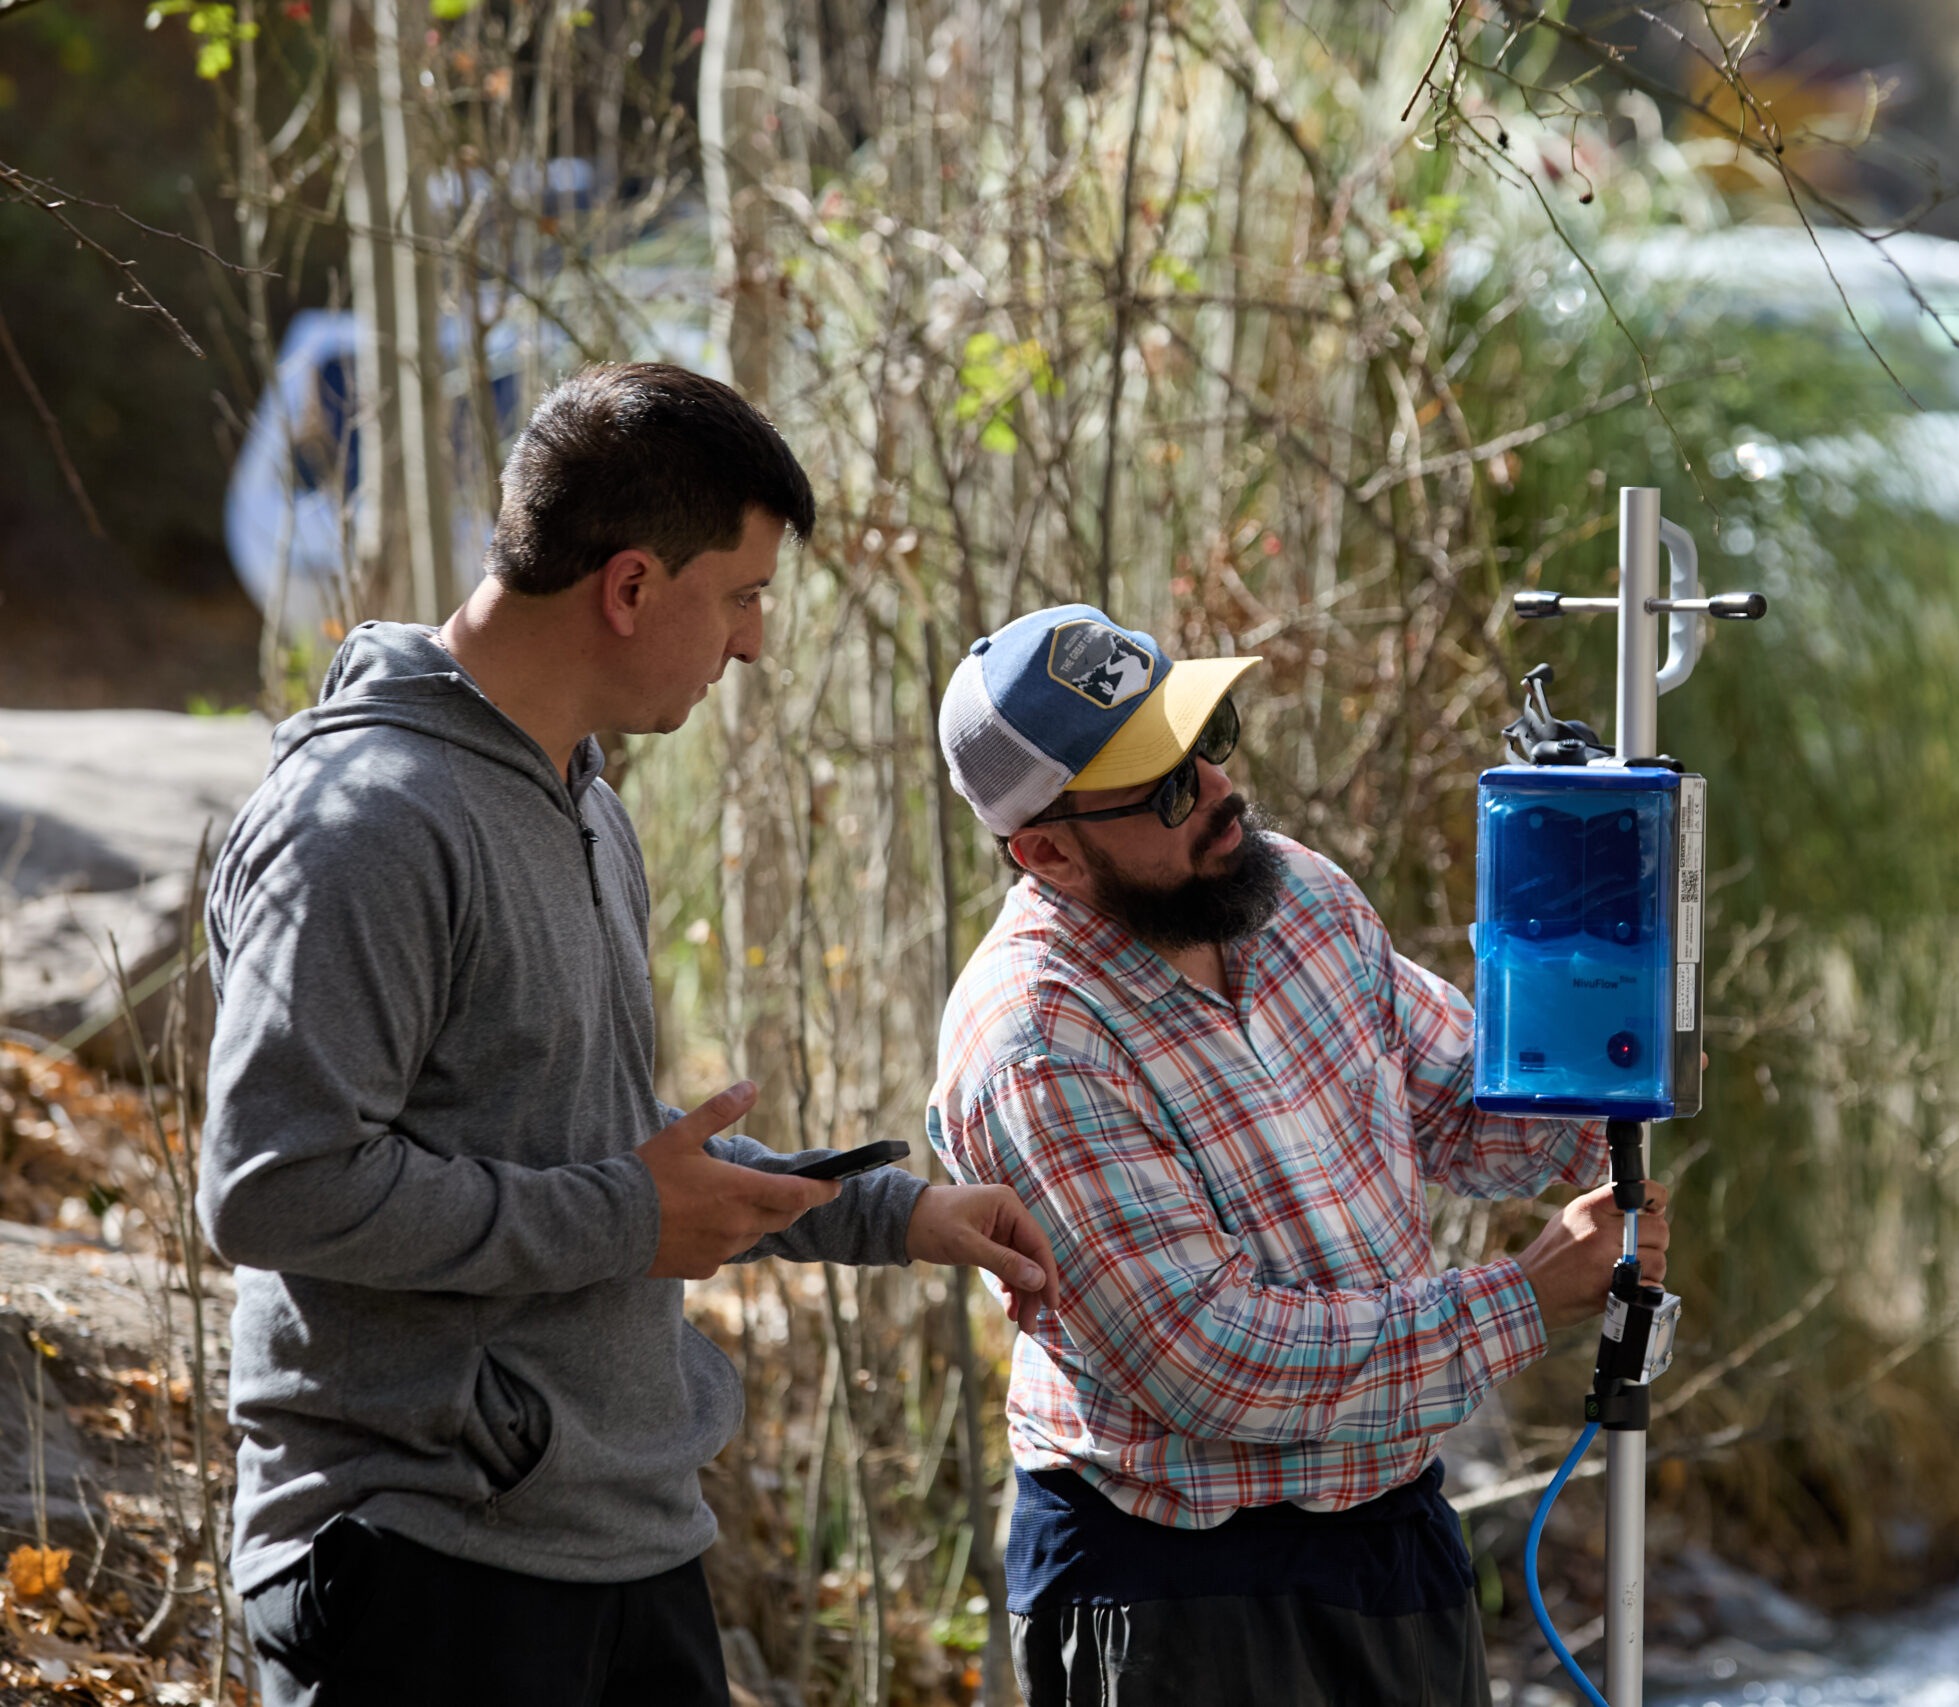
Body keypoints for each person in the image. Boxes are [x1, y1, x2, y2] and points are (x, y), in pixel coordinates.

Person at [200, 363, 1059, 1707]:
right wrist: (625, 1215)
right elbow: (275, 1185)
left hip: (625, 1543)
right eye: (743, 595)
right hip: (420, 1556)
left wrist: (896, 1215)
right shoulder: (365, 822)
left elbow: (590, 1147)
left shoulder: (587, 801)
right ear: (632, 586)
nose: (754, 643)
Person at [925, 604, 1670, 1706]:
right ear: (1048, 853)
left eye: (1208, 737)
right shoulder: (1034, 1043)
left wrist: (1607, 1035)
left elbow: (1469, 1113)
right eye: (1165, 791)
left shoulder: (1298, 895)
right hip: (1175, 1587)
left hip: (1391, 1537)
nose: (1219, 791)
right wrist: (1522, 1298)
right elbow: (1214, 1360)